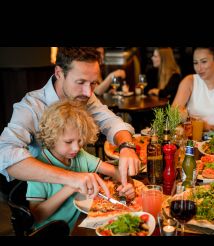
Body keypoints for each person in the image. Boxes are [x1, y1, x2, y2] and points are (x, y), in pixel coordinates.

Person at [0, 47, 140, 196]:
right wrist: (70, 178)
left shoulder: (83, 95)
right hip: (40, 195)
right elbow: (5, 153)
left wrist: (126, 146)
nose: (88, 92)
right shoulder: (31, 106)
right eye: (80, 82)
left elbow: (110, 121)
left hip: (79, 191)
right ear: (59, 73)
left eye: (93, 83)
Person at [27, 100, 135, 231]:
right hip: (52, 232)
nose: (76, 148)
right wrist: (70, 186)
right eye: (68, 141)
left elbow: (115, 171)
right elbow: (38, 215)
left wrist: (127, 184)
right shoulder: (37, 168)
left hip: (80, 225)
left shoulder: (80, 155)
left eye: (80, 141)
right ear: (51, 137)